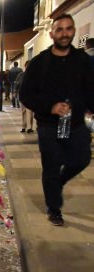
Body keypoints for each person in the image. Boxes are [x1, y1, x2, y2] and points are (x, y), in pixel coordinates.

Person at [19, 14, 94, 226]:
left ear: (74, 31)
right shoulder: (39, 62)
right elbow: (25, 95)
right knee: (51, 166)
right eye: (59, 29)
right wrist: (50, 107)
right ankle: (54, 208)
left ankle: (58, 182)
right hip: (49, 126)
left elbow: (90, 90)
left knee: (82, 159)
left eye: (68, 29)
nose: (64, 33)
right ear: (52, 33)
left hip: (76, 124)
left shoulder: (82, 61)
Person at [15, 61, 34, 133]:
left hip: (31, 96)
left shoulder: (34, 75)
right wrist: (15, 92)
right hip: (22, 95)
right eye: (27, 65)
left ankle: (29, 127)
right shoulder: (20, 75)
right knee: (23, 111)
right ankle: (23, 126)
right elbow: (17, 84)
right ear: (25, 66)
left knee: (29, 111)